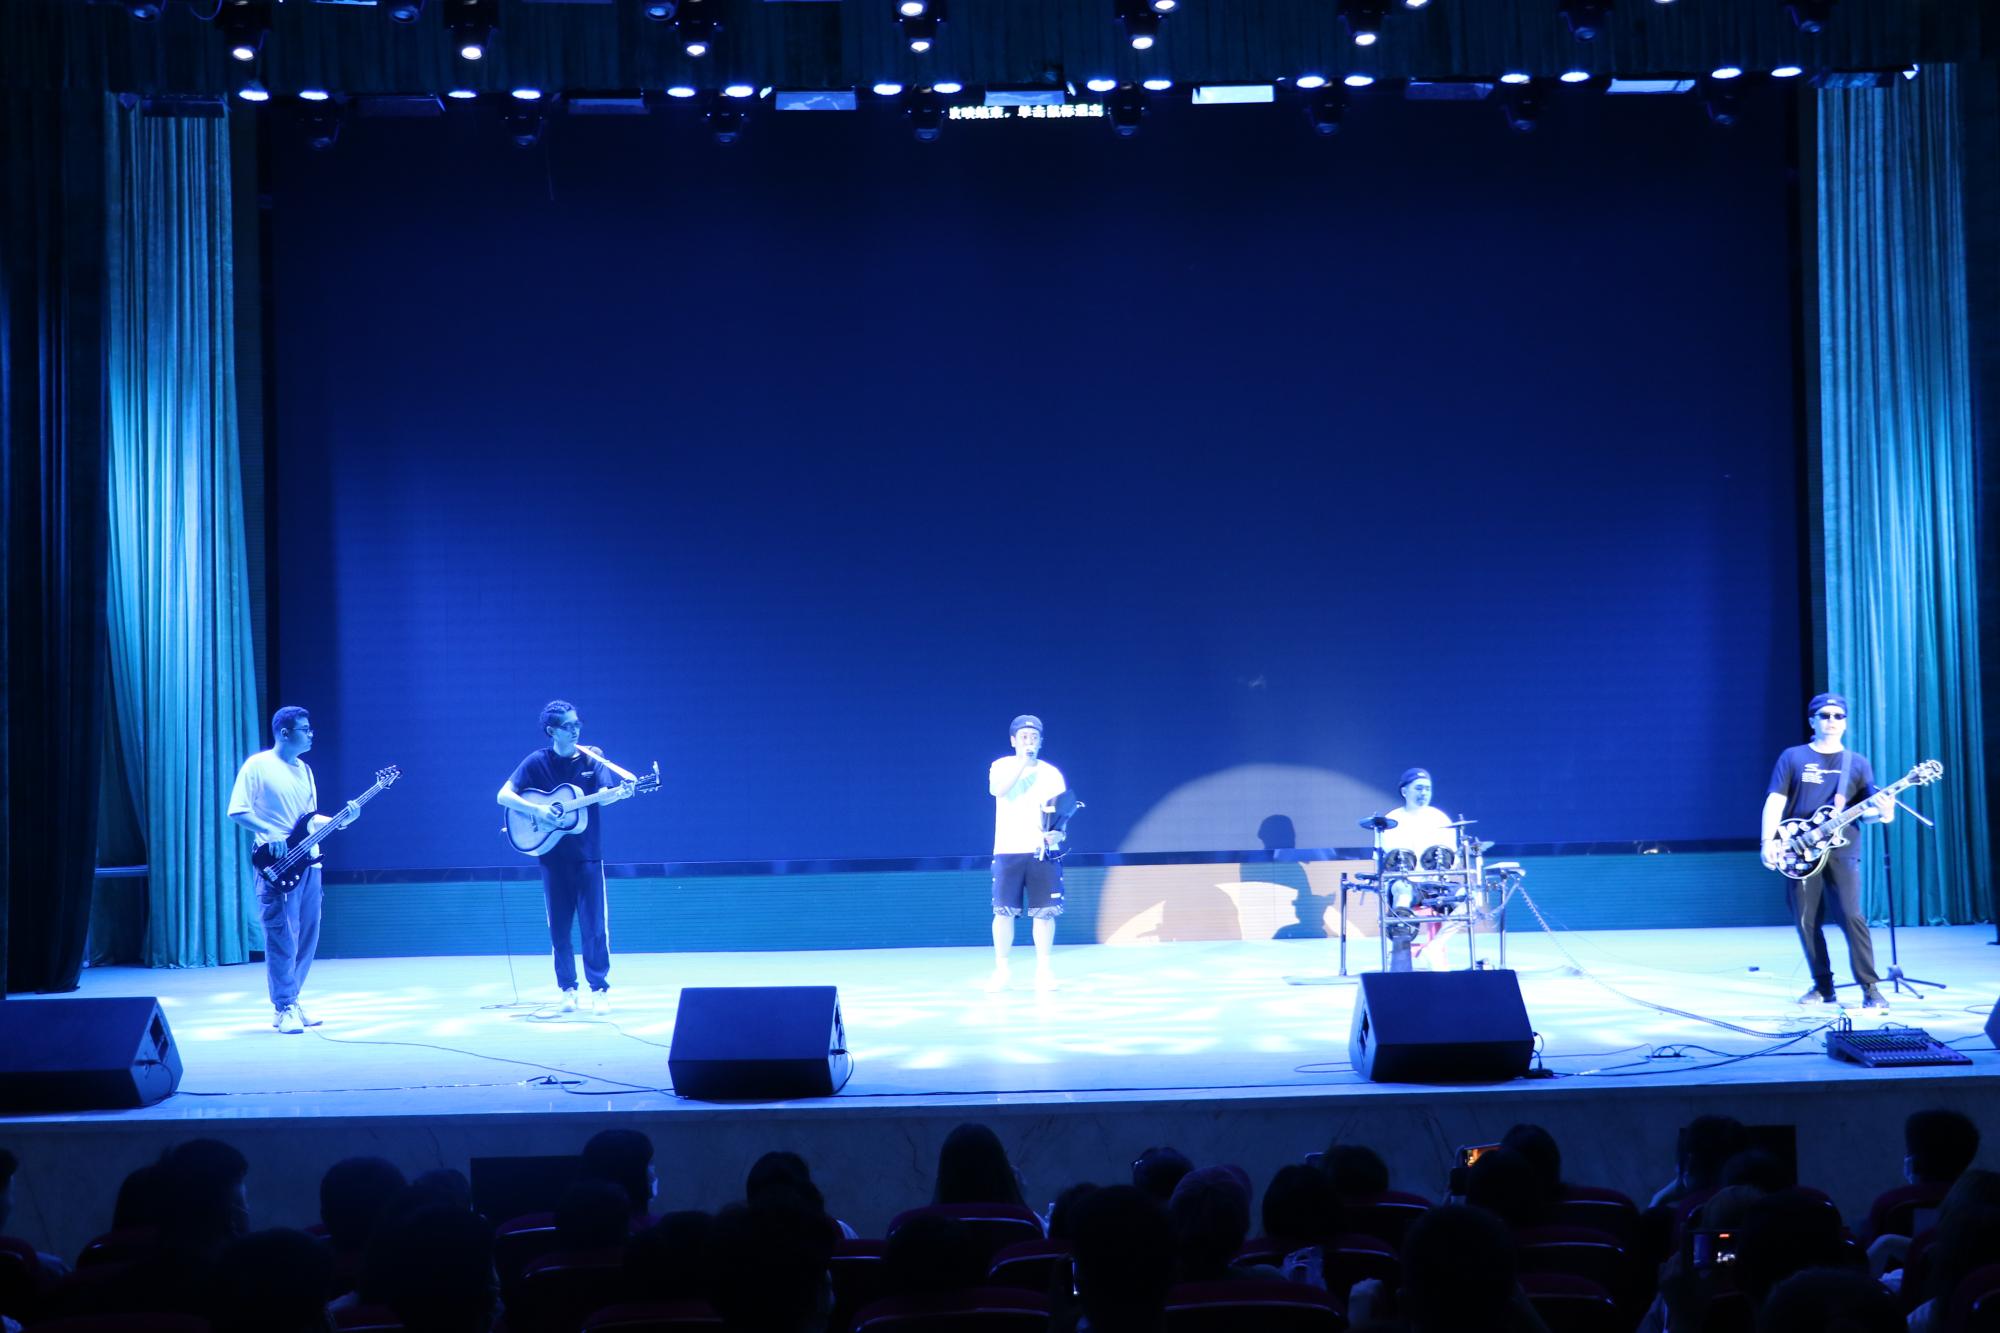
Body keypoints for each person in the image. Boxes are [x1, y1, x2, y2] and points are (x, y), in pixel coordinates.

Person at [496, 700, 634, 1014]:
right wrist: (537, 810)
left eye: (577, 723)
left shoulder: (592, 758)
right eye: (567, 726)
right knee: (559, 929)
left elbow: (605, 797)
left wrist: (620, 794)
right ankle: (568, 989)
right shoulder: (536, 761)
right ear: (552, 731)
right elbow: (503, 795)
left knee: (594, 927)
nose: (575, 730)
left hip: (588, 856)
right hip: (551, 857)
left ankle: (599, 989)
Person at [229, 706, 359, 1033]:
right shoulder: (258, 766)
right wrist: (269, 832)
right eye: (305, 728)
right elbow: (237, 810)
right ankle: (284, 1004)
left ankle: (292, 1000)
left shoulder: (305, 770)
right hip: (276, 865)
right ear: (285, 733)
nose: (311, 733)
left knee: (307, 936)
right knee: (281, 936)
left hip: (309, 862)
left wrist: (342, 820)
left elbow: (308, 820)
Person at [1760, 692, 1892, 1010]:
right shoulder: (1793, 757)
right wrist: (1768, 841)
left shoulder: (1856, 763)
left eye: (1838, 716)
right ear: (1812, 721)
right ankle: (1823, 987)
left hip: (1842, 849)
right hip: (1798, 847)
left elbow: (1867, 813)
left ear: (1845, 723)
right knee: (1806, 919)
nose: (1832, 721)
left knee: (1851, 915)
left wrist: (1885, 813)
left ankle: (1870, 988)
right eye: (1825, 715)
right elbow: (1776, 799)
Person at [987, 713, 1068, 991]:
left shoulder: (1052, 773)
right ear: (1013, 741)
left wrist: (1059, 833)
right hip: (1008, 849)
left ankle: (1044, 971)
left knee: (1045, 913)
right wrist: (1022, 763)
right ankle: (1002, 971)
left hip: (1043, 851)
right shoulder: (1000, 766)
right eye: (1024, 737)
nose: (1029, 741)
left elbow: (1060, 813)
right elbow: (998, 790)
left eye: (1034, 737)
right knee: (1003, 911)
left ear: (1041, 741)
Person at [1380, 768, 1461, 972]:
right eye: (1418, 788)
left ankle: (1434, 947)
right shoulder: (1391, 820)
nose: (1423, 793)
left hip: (1435, 884)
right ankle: (1400, 953)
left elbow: (1452, 857)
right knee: (1402, 891)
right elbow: (1386, 860)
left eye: (1427, 789)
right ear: (1404, 791)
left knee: (1470, 899)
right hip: (1405, 882)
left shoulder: (1440, 818)